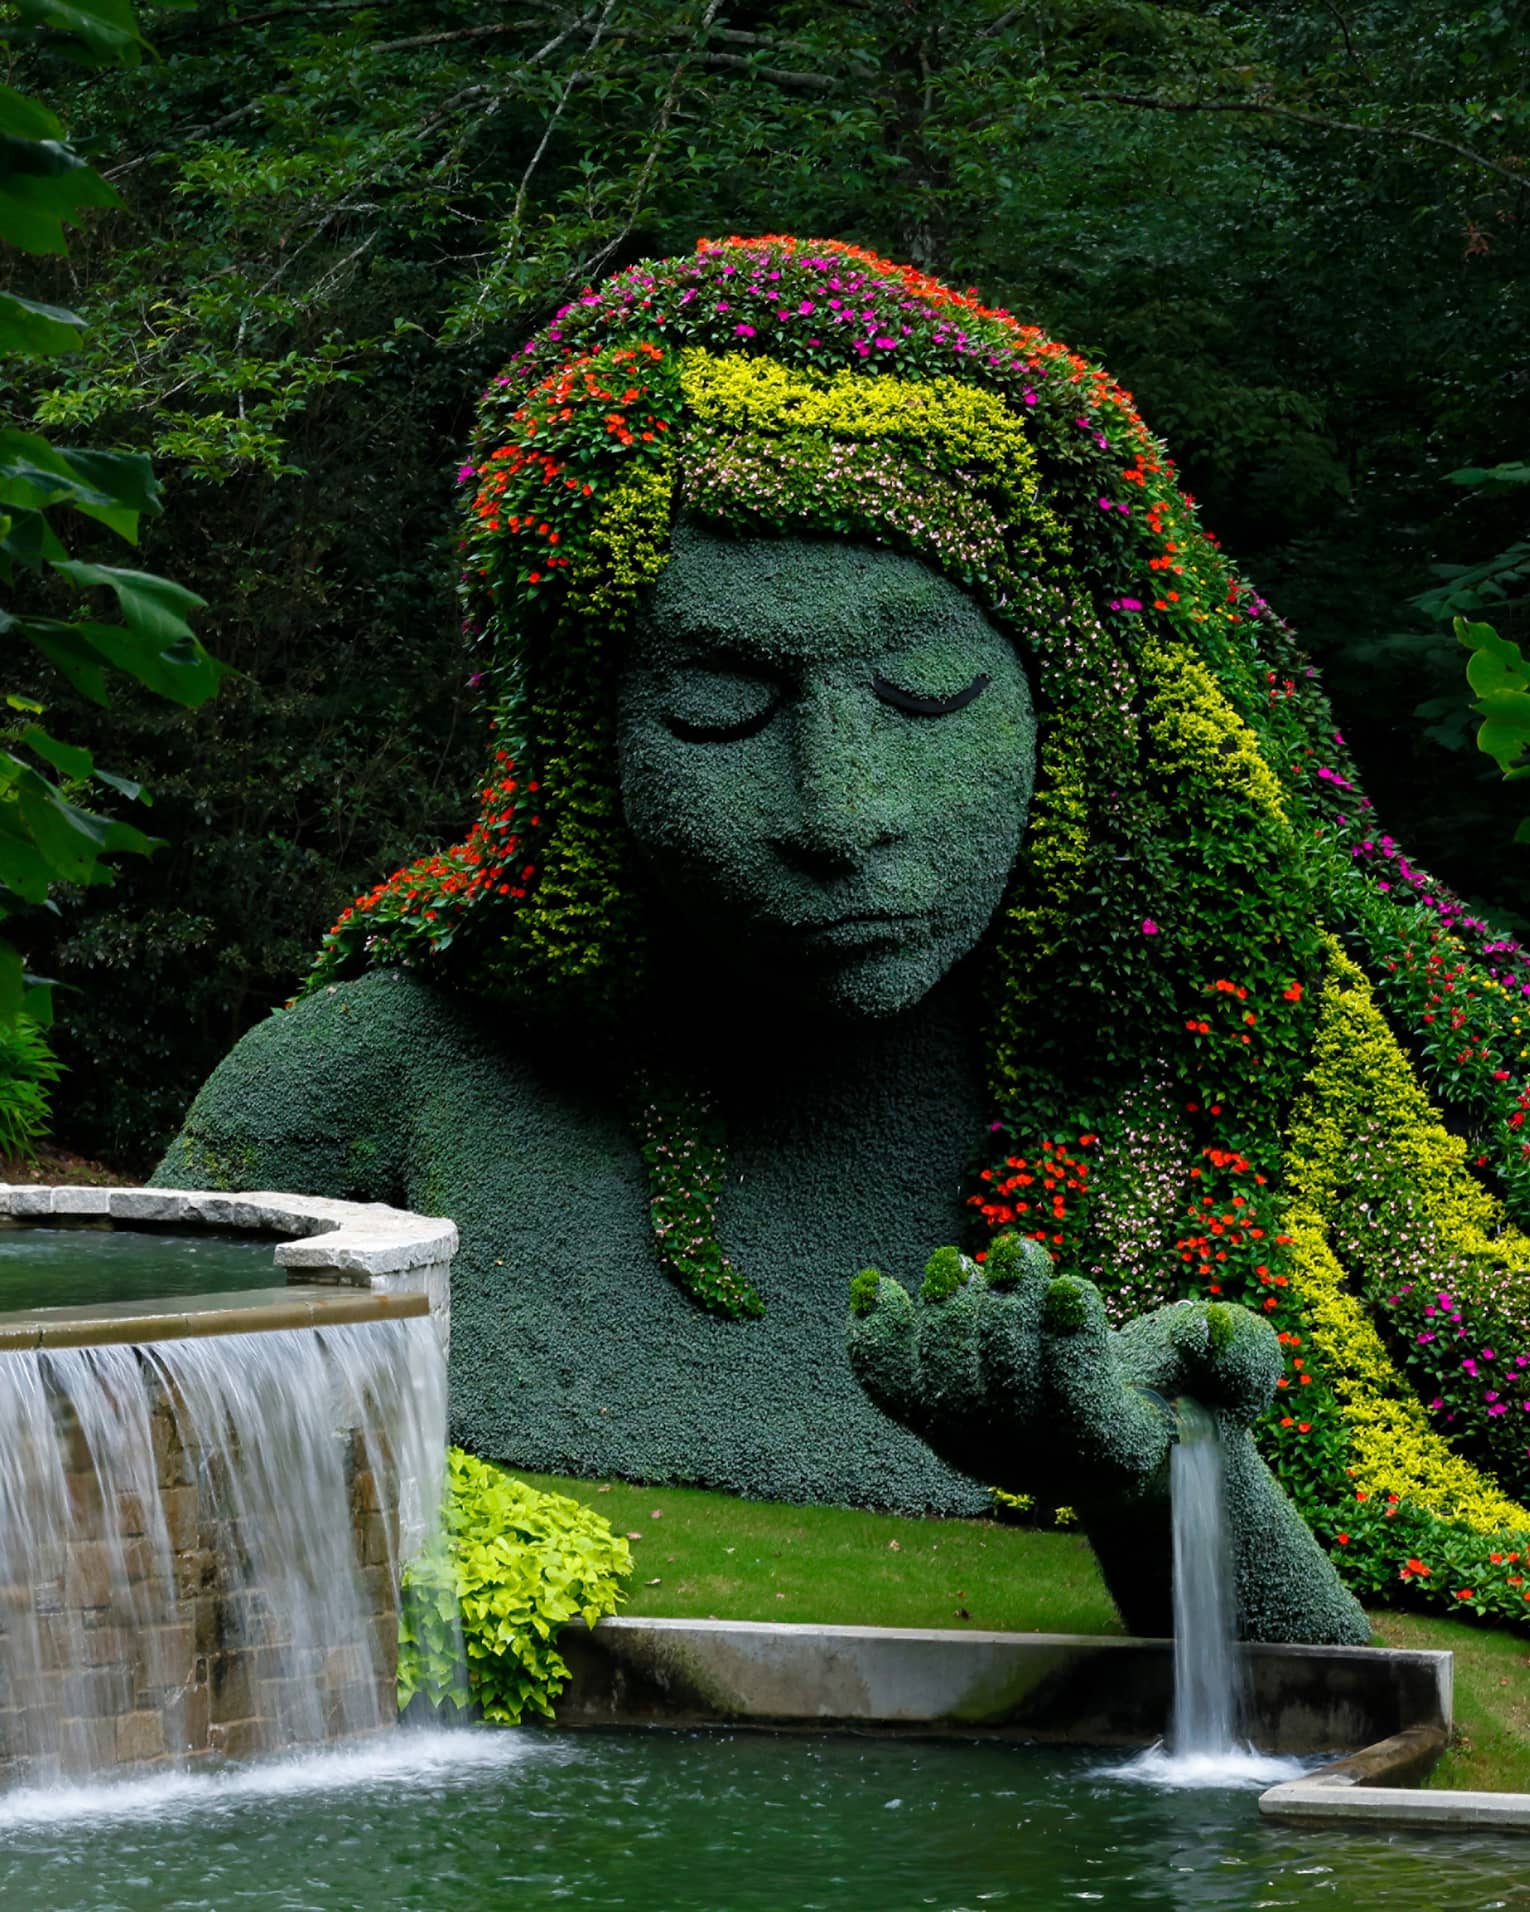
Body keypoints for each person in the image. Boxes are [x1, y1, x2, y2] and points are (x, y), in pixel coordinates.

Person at [160, 240, 1530, 1626]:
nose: (840, 811)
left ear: (1075, 710)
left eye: (928, 693)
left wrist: (1141, 1477)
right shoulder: (369, 1079)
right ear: (581, 748)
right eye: (717, 712)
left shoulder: (1214, 1100)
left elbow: (1341, 1743)